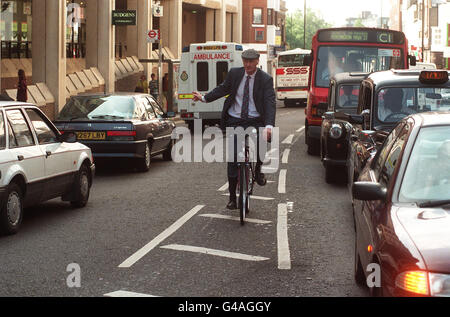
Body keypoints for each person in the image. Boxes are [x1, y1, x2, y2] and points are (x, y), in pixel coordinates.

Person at [192, 48, 276, 210]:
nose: (248, 64)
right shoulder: (235, 74)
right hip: (235, 119)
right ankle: (232, 198)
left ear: (257, 61)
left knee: (261, 142)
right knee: (233, 159)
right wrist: (204, 98)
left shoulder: (265, 79)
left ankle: (258, 170)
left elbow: (269, 102)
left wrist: (269, 125)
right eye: (245, 61)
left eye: (251, 61)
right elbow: (222, 89)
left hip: (255, 119)